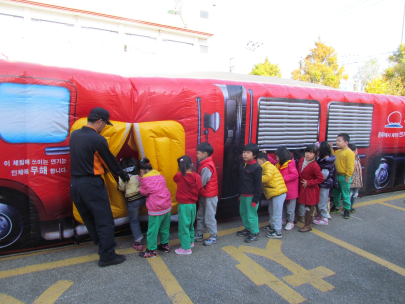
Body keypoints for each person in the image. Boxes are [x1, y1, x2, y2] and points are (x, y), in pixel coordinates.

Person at [70, 107, 129, 267]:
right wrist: (123, 175)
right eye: (104, 124)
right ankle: (107, 256)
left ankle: (102, 246)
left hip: (75, 184)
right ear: (99, 121)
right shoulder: (97, 139)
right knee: (105, 220)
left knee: (89, 219)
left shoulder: (74, 135)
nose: (104, 128)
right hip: (91, 184)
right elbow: (109, 161)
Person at [138, 158, 172, 258]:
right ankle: (165, 246)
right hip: (167, 206)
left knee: (152, 231)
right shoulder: (160, 176)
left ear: (141, 171)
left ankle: (151, 251)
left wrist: (140, 180)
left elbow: (143, 192)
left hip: (156, 209)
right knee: (165, 228)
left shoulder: (146, 180)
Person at [263, 147, 299, 231]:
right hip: (281, 190)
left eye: (277, 156)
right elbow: (273, 162)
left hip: (290, 190)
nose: (276, 158)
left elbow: (295, 174)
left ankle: (290, 221)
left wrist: (282, 178)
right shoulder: (279, 164)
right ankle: (283, 220)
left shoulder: (290, 164)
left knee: (290, 209)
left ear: (282, 156)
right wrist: (266, 155)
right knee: (281, 208)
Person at [173, 156, 202, 255]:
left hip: (184, 205)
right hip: (193, 205)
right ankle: (190, 241)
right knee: (190, 224)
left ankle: (186, 248)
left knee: (183, 226)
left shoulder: (179, 176)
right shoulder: (197, 177)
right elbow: (199, 188)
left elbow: (174, 179)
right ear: (192, 165)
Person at [236, 143, 263, 243]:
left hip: (251, 196)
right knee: (243, 212)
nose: (245, 154)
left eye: (248, 152)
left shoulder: (256, 168)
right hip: (243, 195)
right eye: (244, 152)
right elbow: (241, 181)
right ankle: (248, 229)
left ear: (254, 155)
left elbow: (258, 185)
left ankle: (255, 232)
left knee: (251, 215)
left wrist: (256, 199)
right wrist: (239, 194)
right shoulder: (243, 165)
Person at [257, 153, 287, 239]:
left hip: (278, 193)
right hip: (274, 192)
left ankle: (278, 232)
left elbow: (267, 178)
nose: (256, 163)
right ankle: (272, 226)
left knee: (277, 213)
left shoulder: (268, 167)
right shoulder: (265, 167)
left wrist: (256, 178)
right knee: (271, 210)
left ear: (263, 160)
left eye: (257, 161)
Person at [118, 157, 146, 251]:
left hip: (133, 200)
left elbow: (121, 188)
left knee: (134, 220)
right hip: (144, 197)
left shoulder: (123, 175)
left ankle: (138, 242)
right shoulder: (139, 172)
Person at [194, 142, 219, 246]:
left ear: (205, 154)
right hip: (205, 195)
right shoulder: (204, 164)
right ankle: (199, 233)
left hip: (209, 196)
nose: (196, 155)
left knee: (209, 216)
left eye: (198, 153)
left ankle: (213, 235)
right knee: (200, 215)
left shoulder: (207, 166)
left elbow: (201, 182)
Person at [298, 144, 324, 232]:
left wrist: (309, 183)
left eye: (311, 153)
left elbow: (320, 179)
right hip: (302, 188)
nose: (308, 154)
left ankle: (308, 225)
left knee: (308, 207)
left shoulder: (315, 166)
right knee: (304, 205)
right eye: (307, 152)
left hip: (310, 190)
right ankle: (305, 220)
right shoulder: (302, 160)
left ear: (315, 155)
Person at [329, 133, 355, 219]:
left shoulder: (349, 153)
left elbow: (350, 166)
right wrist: (330, 148)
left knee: (345, 193)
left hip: (344, 176)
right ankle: (336, 206)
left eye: (339, 141)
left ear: (346, 142)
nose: (337, 142)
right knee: (336, 192)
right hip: (337, 175)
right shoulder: (338, 151)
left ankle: (347, 209)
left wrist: (348, 176)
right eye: (337, 140)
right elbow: (333, 156)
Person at [313, 142, 336, 225]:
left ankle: (324, 218)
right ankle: (320, 215)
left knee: (322, 201)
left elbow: (324, 175)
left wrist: (315, 178)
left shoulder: (326, 162)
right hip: (322, 184)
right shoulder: (324, 160)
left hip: (324, 185)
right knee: (320, 200)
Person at [348, 143, 363, 213]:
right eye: (356, 149)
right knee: (350, 194)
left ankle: (350, 206)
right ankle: (348, 207)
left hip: (357, 181)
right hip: (351, 181)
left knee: (355, 194)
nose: (357, 151)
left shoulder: (357, 158)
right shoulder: (350, 159)